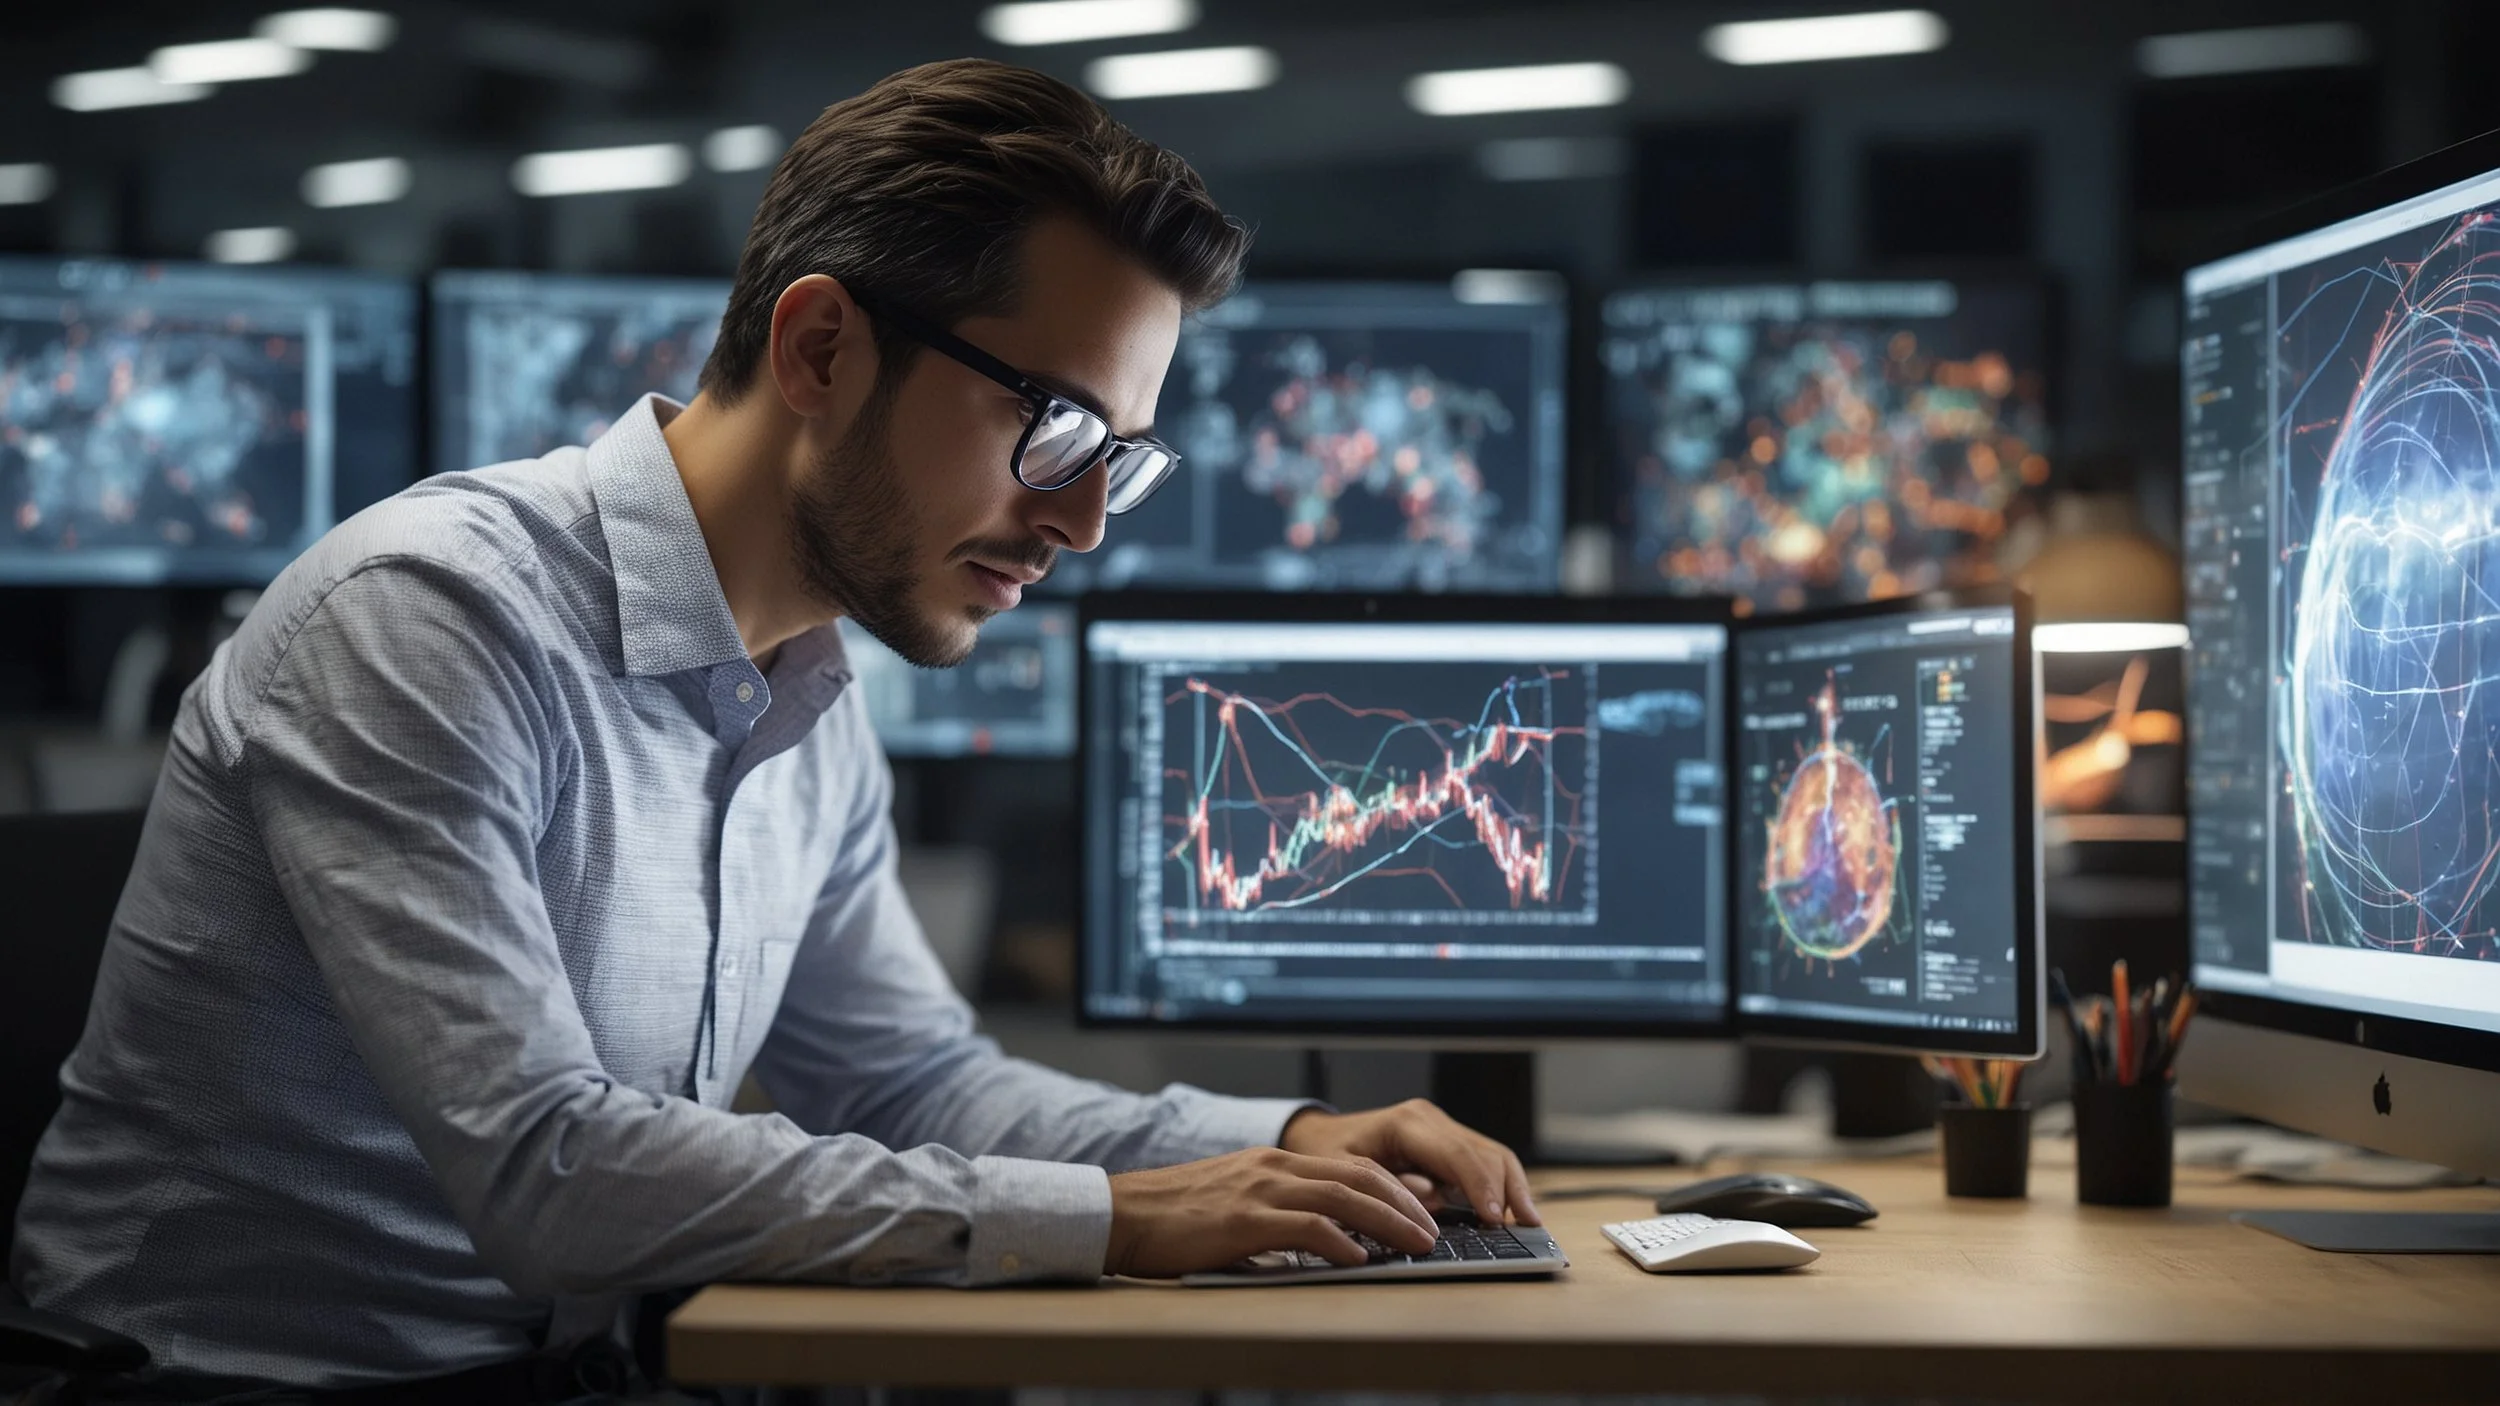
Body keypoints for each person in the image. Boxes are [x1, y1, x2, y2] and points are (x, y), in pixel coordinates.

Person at [8, 58, 1537, 1401]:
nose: (1081, 521)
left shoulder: (811, 682)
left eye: (1117, 458)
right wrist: (1126, 1215)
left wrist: (1287, 1135)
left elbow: (914, 1088)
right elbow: (545, 1167)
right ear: (819, 348)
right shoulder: (427, 621)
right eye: (1057, 426)